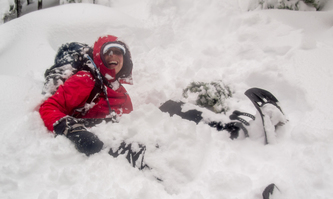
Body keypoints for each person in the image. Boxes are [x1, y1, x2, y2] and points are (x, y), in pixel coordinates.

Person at [39, 35, 243, 169]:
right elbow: (48, 107)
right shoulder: (86, 79)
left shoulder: (121, 93)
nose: (113, 56)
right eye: (108, 52)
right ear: (99, 57)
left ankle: (217, 124)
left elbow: (134, 123)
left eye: (118, 52)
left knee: (169, 107)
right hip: (96, 139)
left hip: (116, 135)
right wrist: (76, 133)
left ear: (124, 60)